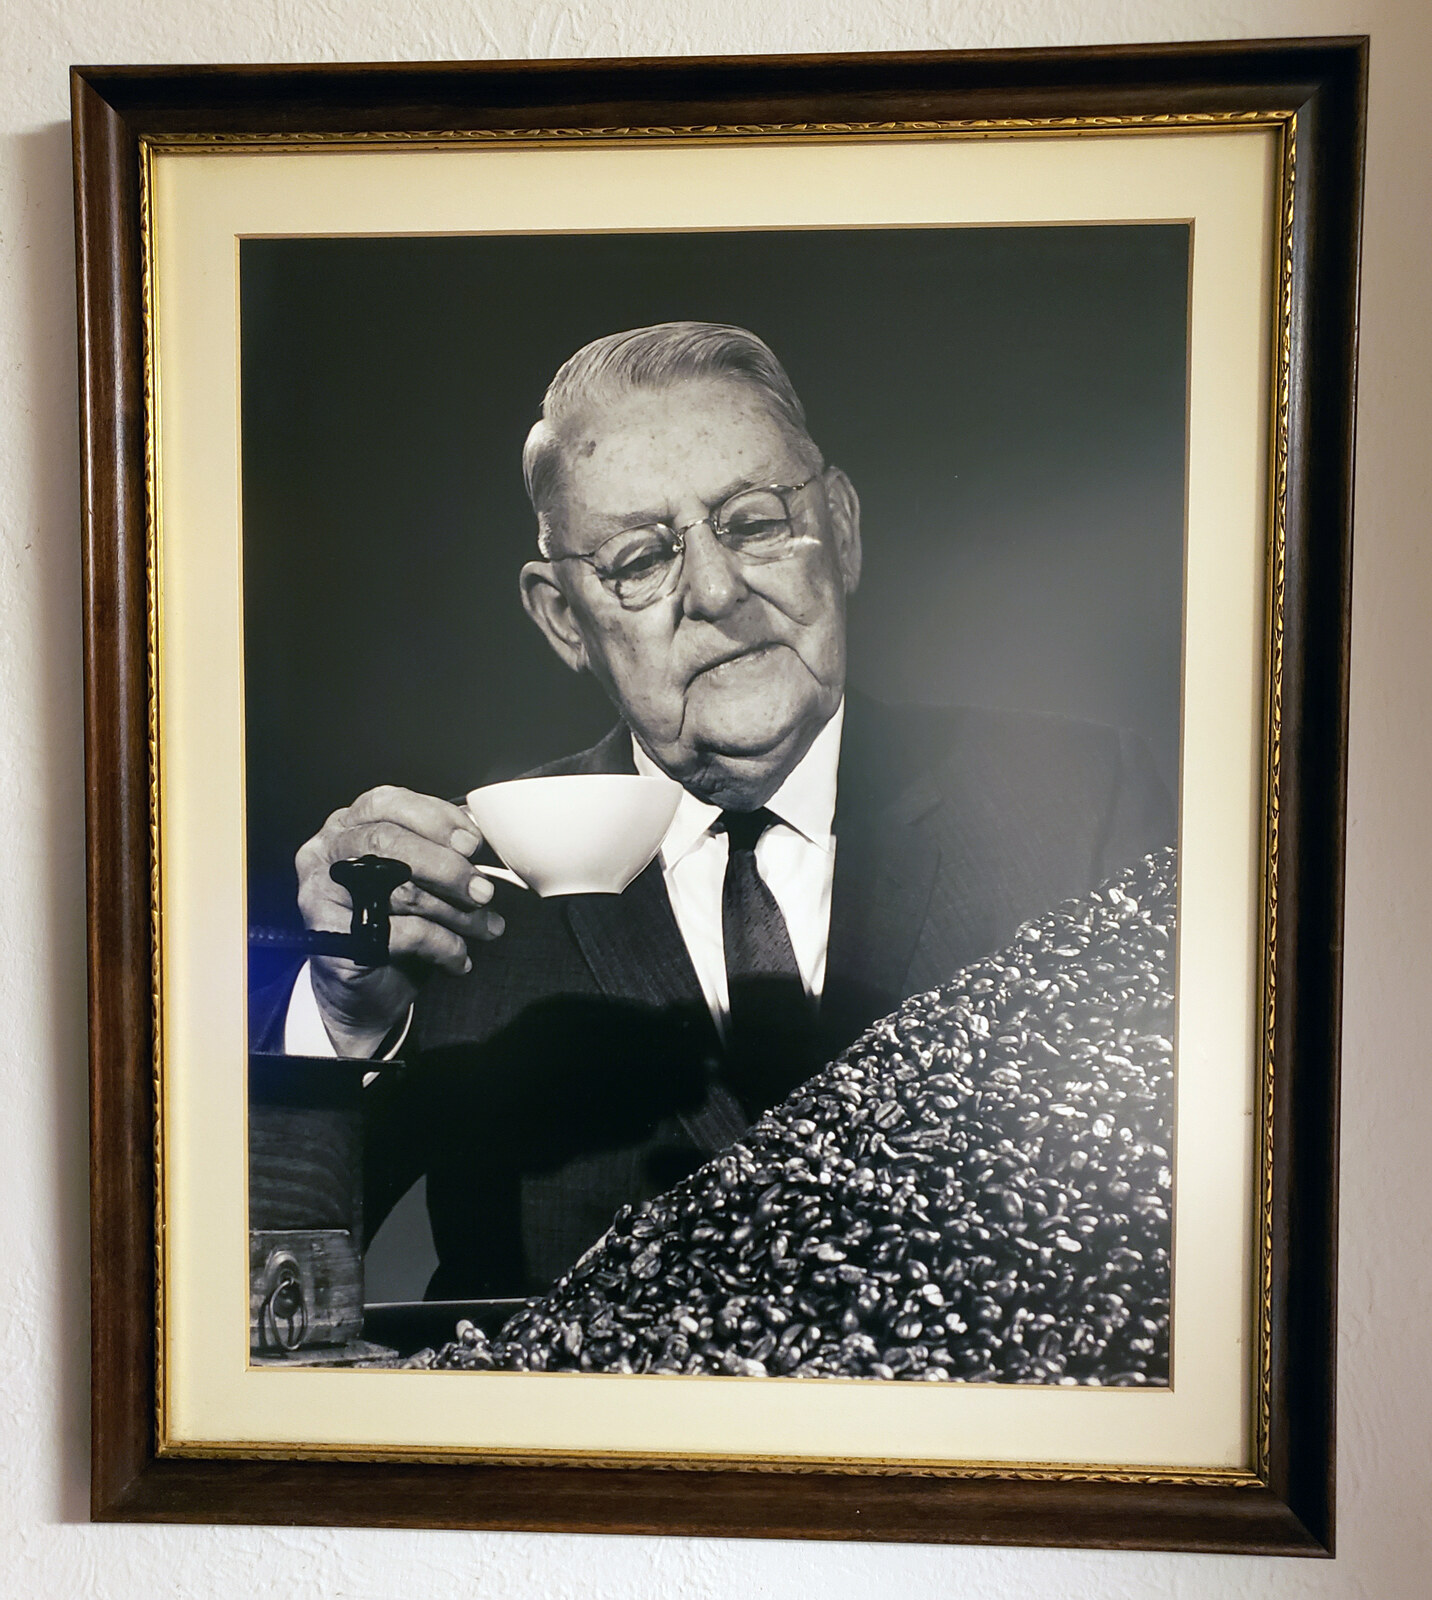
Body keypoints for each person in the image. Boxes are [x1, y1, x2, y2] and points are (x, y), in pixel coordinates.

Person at [258, 321, 1174, 1299]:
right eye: (641, 557)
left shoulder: (1076, 803)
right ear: (564, 617)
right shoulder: (445, 889)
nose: (715, 588)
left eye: (753, 521)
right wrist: (347, 1021)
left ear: (844, 531)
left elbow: (1185, 1220)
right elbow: (252, 1283)